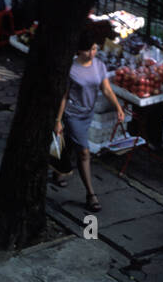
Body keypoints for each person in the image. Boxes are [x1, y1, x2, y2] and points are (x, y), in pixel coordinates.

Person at [50, 24, 125, 214]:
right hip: (72, 114)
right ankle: (91, 194)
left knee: (69, 144)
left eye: (94, 49)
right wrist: (58, 120)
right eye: (87, 50)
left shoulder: (99, 65)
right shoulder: (71, 69)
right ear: (78, 50)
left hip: (87, 114)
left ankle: (58, 171)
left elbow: (106, 89)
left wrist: (118, 107)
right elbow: (64, 96)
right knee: (84, 151)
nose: (91, 54)